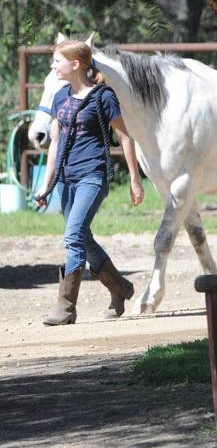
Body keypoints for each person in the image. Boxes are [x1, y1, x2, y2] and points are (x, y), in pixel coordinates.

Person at [34, 38, 144, 325]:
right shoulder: (60, 97)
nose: (52, 65)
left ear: (75, 64)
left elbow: (124, 136)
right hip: (66, 179)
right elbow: (55, 144)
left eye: (56, 61)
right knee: (83, 237)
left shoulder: (103, 96)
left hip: (92, 176)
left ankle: (66, 307)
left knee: (73, 236)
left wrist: (135, 179)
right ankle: (120, 288)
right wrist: (46, 185)